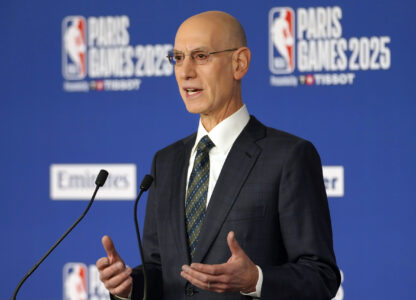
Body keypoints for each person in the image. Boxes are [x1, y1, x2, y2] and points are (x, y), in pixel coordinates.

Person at [96, 11, 340, 300]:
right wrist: (130, 285)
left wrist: (256, 280)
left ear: (239, 63)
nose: (185, 71)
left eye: (200, 56)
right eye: (177, 58)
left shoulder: (289, 157)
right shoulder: (166, 162)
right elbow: (159, 269)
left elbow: (320, 276)